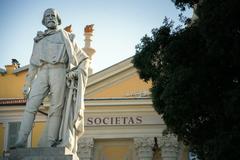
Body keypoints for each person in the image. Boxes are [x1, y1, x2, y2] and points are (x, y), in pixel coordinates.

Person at [12, 8, 89, 149]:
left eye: (53, 15)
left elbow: (84, 58)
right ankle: (21, 141)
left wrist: (77, 71)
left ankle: (51, 142)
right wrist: (28, 83)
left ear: (58, 19)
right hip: (42, 72)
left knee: (56, 107)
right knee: (30, 106)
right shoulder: (39, 40)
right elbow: (33, 64)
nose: (50, 18)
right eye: (47, 16)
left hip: (58, 71)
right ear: (44, 20)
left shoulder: (66, 36)